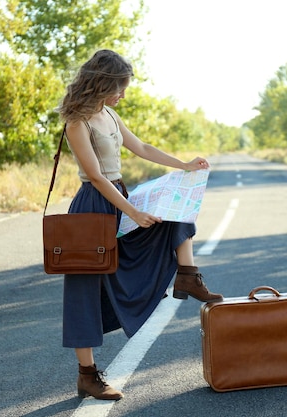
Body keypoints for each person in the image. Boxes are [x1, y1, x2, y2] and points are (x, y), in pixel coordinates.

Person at [56, 49, 223, 401]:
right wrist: (132, 213)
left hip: (119, 198)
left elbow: (142, 147)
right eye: (119, 87)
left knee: (174, 212)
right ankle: (87, 375)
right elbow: (98, 178)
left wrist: (184, 165)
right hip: (93, 207)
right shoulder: (77, 121)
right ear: (101, 83)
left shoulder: (110, 115)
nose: (123, 94)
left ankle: (188, 275)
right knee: (85, 289)